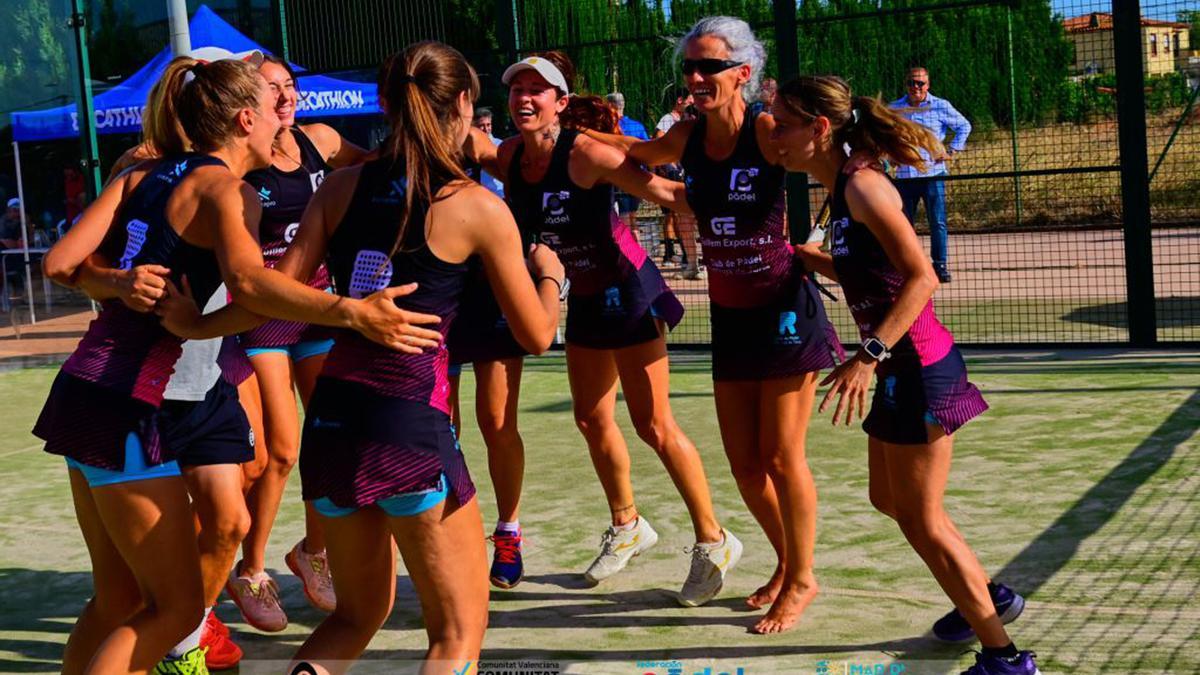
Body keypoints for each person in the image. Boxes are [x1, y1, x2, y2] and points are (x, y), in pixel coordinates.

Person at [39, 54, 437, 675]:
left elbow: (61, 263)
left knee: (119, 598)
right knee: (174, 611)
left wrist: (136, 291)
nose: (283, 114)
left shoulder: (141, 176)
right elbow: (251, 285)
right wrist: (352, 312)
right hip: (132, 406)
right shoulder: (230, 190)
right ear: (246, 118)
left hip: (83, 394)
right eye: (270, 105)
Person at [255, 40, 562, 672]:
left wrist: (345, 311)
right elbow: (534, 335)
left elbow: (276, 290)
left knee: (352, 619)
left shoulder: (339, 187)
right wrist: (551, 278)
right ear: (466, 106)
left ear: (386, 105)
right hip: (409, 429)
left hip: (333, 421)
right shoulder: (476, 206)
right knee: (455, 637)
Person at [582, 16, 844, 633]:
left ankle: (802, 578)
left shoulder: (770, 131)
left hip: (784, 311)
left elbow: (828, 156)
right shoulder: (688, 135)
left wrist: (849, 207)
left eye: (710, 67)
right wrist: (589, 137)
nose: (697, 78)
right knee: (746, 465)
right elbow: (641, 155)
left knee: (782, 458)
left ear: (744, 74)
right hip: (729, 317)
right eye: (690, 68)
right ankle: (787, 563)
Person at [777, 74, 1038, 675]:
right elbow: (869, 272)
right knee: (888, 498)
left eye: (784, 125)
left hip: (916, 364)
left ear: (819, 129)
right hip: (898, 365)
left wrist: (867, 355)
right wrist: (803, 257)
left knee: (922, 516)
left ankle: (1005, 658)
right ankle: (986, 596)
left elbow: (922, 277)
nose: (775, 136)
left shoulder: (864, 188)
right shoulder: (837, 190)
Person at [474, 51, 743, 606]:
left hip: (629, 291)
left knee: (654, 424)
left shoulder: (587, 154)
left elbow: (666, 194)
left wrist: (744, 202)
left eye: (537, 90)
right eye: (516, 90)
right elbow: (456, 139)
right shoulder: (508, 156)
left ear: (560, 103)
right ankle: (628, 525)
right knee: (591, 417)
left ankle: (714, 539)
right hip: (587, 297)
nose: (524, 98)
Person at [226, 54, 370, 634]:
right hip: (264, 315)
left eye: (289, 86)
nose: (284, 97)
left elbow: (381, 168)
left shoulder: (323, 141)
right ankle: (251, 569)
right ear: (246, 107)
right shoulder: (241, 161)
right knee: (281, 451)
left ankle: (313, 550)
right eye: (270, 90)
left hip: (317, 308)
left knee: (334, 437)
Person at [888, 66, 971, 283]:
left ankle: (940, 265)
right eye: (912, 83)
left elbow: (964, 126)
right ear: (906, 84)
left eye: (920, 83)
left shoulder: (940, 106)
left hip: (933, 174)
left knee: (938, 222)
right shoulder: (894, 108)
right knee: (903, 224)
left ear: (928, 85)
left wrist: (951, 150)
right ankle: (907, 266)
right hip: (905, 176)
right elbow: (884, 134)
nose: (916, 87)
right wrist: (890, 155)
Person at [654, 88, 695, 272]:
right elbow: (659, 142)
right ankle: (671, 252)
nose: (693, 100)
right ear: (680, 100)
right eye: (689, 97)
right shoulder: (667, 120)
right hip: (674, 175)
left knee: (683, 216)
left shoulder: (690, 119)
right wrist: (671, 167)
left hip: (689, 173)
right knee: (672, 215)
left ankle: (688, 256)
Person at [605, 92, 650, 241]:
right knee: (632, 218)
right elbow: (648, 151)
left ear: (610, 106)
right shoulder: (637, 126)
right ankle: (639, 255)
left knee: (624, 220)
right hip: (638, 177)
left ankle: (633, 257)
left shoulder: (610, 127)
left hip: (619, 177)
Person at [470, 107, 506, 197]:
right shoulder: (467, 149)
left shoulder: (501, 146)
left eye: (488, 125)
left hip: (498, 196)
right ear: (473, 126)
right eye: (481, 125)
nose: (486, 129)